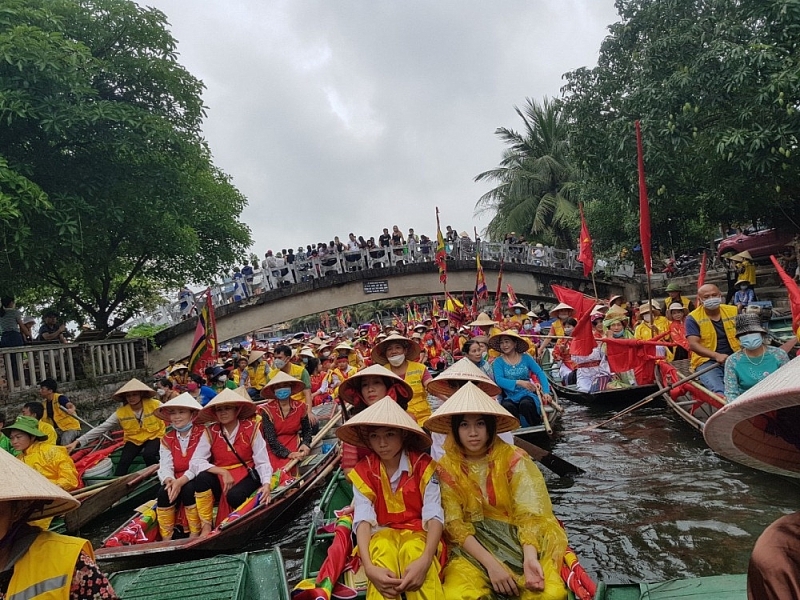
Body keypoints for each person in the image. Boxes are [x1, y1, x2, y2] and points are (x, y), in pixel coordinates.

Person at [426, 383, 568, 600]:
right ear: (455, 429)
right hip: (471, 549)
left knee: (551, 594)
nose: (473, 433)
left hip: (517, 540)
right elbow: (455, 525)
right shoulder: (447, 467)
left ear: (490, 426)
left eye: (480, 424)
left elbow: (530, 514)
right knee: (457, 595)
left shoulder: (514, 458)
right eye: (464, 425)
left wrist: (530, 558)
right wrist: (492, 565)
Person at [336, 397, 445, 600]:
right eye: (375, 436)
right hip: (382, 534)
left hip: (419, 533)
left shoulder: (424, 466)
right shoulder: (364, 471)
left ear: (403, 434)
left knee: (414, 552)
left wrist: (426, 559)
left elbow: (433, 514)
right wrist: (368, 567)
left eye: (390, 434)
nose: (382, 443)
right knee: (381, 553)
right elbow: (363, 519)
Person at [0, 450, 116, 598]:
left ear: (17, 510)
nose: (16, 441)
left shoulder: (67, 561)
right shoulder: (21, 457)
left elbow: (69, 478)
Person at [189, 388, 272, 535]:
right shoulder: (210, 431)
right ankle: (206, 526)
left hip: (247, 472)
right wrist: (222, 471)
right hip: (221, 474)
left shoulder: (251, 428)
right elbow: (195, 461)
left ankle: (244, 522)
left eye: (227, 408)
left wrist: (266, 484)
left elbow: (262, 461)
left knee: (235, 496)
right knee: (201, 478)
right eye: (219, 409)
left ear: (237, 410)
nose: (223, 412)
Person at [67, 378, 165, 475]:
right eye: (128, 396)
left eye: (134, 394)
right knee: (123, 462)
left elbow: (171, 413)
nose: (131, 398)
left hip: (154, 435)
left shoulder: (155, 404)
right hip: (134, 439)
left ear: (141, 394)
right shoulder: (121, 412)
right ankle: (119, 482)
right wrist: (77, 442)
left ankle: (157, 474)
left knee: (148, 454)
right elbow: (102, 428)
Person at [337, 364, 414, 472]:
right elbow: (349, 471)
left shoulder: (407, 419)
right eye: (364, 385)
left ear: (388, 387)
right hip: (368, 485)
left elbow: (415, 458)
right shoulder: (354, 426)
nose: (370, 389)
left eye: (376, 382)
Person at [153, 392, 205, 540]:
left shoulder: (203, 432)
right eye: (173, 413)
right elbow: (165, 463)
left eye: (181, 412)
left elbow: (200, 460)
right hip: (175, 476)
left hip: (198, 473)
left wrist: (182, 480)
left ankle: (195, 531)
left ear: (192, 414)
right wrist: (169, 479)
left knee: (188, 489)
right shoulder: (167, 438)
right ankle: (166, 537)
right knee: (164, 492)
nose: (176, 417)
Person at [685, 284, 741, 395]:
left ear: (720, 296)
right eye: (706, 297)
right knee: (719, 389)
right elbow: (693, 344)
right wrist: (716, 356)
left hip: (736, 356)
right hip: (707, 361)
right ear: (700, 299)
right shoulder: (692, 318)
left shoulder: (733, 311)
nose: (711, 299)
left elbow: (747, 332)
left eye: (714, 295)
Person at [490, 330, 552, 427]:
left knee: (526, 404)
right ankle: (515, 429)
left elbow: (540, 373)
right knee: (507, 406)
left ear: (514, 343)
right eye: (501, 343)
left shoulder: (526, 358)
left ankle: (535, 424)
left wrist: (546, 392)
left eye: (507, 341)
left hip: (527, 394)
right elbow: (499, 380)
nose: (504, 345)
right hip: (509, 396)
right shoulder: (498, 362)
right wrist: (519, 382)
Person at [723, 314, 789, 402]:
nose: (749, 336)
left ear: (762, 334)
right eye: (744, 334)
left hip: (779, 402)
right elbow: (731, 393)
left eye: (752, 332)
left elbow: (788, 383)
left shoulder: (779, 355)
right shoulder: (733, 361)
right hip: (748, 405)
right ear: (739, 339)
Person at [371, 334, 432, 426]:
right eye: (389, 349)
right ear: (386, 353)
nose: (394, 351)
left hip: (423, 420)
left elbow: (431, 385)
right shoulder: (381, 372)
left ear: (405, 350)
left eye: (398, 348)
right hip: (394, 421)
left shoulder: (420, 368)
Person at [259, 372, 312, 473]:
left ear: (291, 388)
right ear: (274, 391)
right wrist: (288, 454)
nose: (282, 389)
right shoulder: (267, 410)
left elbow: (307, 430)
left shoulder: (300, 406)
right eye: (278, 387)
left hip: (293, 441)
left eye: (285, 386)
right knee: (276, 471)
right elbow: (271, 438)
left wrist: (306, 443)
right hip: (273, 447)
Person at [268, 344, 317, 426]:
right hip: (281, 409)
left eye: (279, 358)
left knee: (313, 424)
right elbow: (270, 398)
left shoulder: (301, 371)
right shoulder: (271, 375)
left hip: (300, 407)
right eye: (275, 358)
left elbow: (307, 394)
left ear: (288, 358)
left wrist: (309, 412)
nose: (276, 360)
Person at [38, 378, 82, 446]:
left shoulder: (60, 398)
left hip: (71, 428)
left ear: (50, 390)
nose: (40, 391)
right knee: (46, 442)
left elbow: (70, 405)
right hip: (58, 430)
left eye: (42, 389)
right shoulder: (44, 404)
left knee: (64, 443)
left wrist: (71, 409)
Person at [0, 297, 30, 382]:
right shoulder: (14, 312)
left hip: (4, 337)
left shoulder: (1, 313)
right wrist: (28, 334)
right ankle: (17, 380)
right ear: (11, 303)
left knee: (7, 361)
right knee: (17, 360)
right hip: (14, 336)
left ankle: (10, 380)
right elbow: (21, 325)